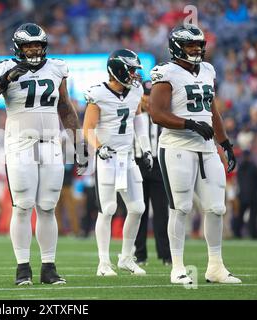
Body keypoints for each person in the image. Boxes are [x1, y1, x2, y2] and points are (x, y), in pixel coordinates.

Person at [0, 23, 88, 285]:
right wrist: (6, 79)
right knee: (23, 207)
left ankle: (49, 267)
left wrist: (79, 145)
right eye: (28, 45)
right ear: (18, 48)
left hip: (50, 145)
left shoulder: (57, 67)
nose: (34, 49)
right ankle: (22, 267)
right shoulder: (4, 68)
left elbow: (66, 109)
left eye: (38, 45)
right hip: (20, 145)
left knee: (47, 207)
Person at [149, 24, 241, 284]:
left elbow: (212, 112)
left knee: (216, 207)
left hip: (207, 148)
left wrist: (225, 142)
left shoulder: (208, 70)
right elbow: (156, 112)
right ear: (177, 47)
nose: (197, 49)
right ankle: (177, 267)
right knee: (181, 208)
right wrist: (188, 124)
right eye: (191, 45)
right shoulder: (166, 72)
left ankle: (216, 266)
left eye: (199, 45)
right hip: (177, 147)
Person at [83, 49, 153, 276]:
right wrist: (99, 147)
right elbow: (87, 129)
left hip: (128, 157)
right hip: (107, 158)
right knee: (108, 209)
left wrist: (147, 148)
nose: (134, 75)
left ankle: (125, 257)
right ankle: (103, 262)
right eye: (131, 70)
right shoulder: (98, 94)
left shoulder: (136, 91)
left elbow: (139, 119)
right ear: (119, 70)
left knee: (137, 208)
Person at [133, 80, 172, 266]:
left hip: (157, 165)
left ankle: (165, 255)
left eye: (150, 95)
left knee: (161, 212)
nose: (148, 100)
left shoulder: (162, 116)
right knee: (138, 211)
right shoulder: (132, 114)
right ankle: (140, 255)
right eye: (145, 95)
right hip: (137, 163)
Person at [233, 150, 257, 239]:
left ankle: (237, 233)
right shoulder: (254, 167)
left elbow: (237, 180)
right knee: (253, 216)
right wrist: (255, 191)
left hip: (242, 194)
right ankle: (254, 234)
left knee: (240, 216)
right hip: (252, 195)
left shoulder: (240, 167)